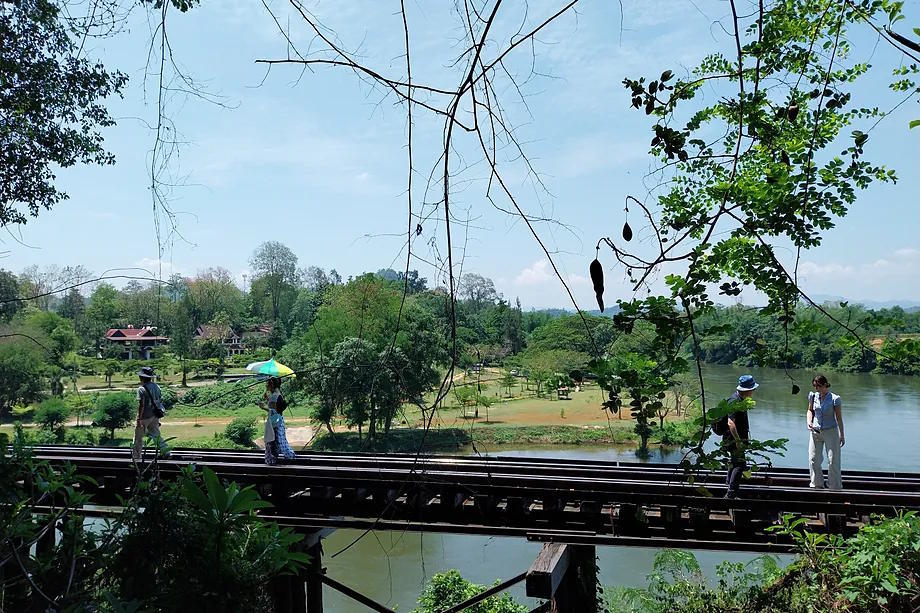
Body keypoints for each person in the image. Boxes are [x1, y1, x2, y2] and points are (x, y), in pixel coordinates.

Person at [807, 374, 844, 490]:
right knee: (814, 459)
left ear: (824, 385)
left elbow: (839, 418)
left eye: (818, 386)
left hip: (831, 431)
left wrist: (842, 435)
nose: (816, 389)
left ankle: (834, 487)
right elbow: (809, 410)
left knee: (833, 460)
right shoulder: (813, 396)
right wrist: (809, 422)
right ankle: (817, 485)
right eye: (815, 386)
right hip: (815, 431)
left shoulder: (834, 399)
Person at [724, 374, 758, 498]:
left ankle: (728, 484)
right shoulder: (734, 401)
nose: (753, 391)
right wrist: (738, 441)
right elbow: (730, 422)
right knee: (740, 464)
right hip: (733, 440)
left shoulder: (741, 400)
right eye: (752, 389)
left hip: (737, 439)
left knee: (734, 462)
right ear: (748, 390)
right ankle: (731, 493)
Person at [133, 366, 170, 461]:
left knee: (138, 438)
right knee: (156, 435)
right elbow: (158, 401)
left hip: (144, 417)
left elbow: (142, 405)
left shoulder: (141, 389)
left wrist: (138, 419)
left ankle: (136, 458)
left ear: (141, 377)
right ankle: (166, 452)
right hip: (155, 415)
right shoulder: (157, 387)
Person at [259, 377, 296, 465]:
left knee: (272, 441)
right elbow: (275, 408)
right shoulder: (277, 394)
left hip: (274, 423)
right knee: (279, 441)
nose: (266, 385)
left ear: (271, 385)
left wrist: (263, 407)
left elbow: (273, 411)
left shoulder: (274, 396)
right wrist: (268, 399)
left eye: (267, 384)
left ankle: (272, 461)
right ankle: (288, 457)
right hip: (279, 421)